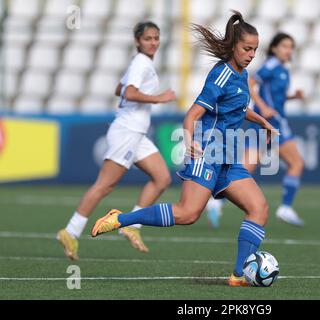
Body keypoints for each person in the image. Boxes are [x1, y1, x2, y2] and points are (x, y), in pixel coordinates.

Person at [90, 11, 279, 287]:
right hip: (208, 154)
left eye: (255, 50)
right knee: (188, 214)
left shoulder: (242, 74)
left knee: (259, 207)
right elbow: (192, 114)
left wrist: (262, 121)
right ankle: (122, 218)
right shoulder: (221, 76)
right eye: (247, 49)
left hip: (228, 158)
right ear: (234, 46)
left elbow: (238, 107)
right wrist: (190, 141)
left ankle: (239, 275)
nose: (251, 54)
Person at [57, 21, 176, 260]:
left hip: (136, 133)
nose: (153, 42)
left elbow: (119, 88)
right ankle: (70, 231)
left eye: (156, 38)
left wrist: (146, 97)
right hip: (127, 131)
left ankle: (132, 226)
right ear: (137, 41)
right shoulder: (141, 63)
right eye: (148, 38)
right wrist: (159, 98)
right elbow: (129, 92)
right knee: (105, 185)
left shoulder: (140, 63)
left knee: (162, 178)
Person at [206, 32, 305, 228]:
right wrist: (262, 106)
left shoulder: (283, 70)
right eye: (284, 46)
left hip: (270, 122)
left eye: (291, 47)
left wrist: (292, 97)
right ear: (275, 48)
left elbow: (275, 97)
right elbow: (251, 83)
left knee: (245, 169)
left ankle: (216, 202)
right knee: (296, 163)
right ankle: (285, 207)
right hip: (271, 122)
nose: (288, 50)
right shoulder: (271, 65)